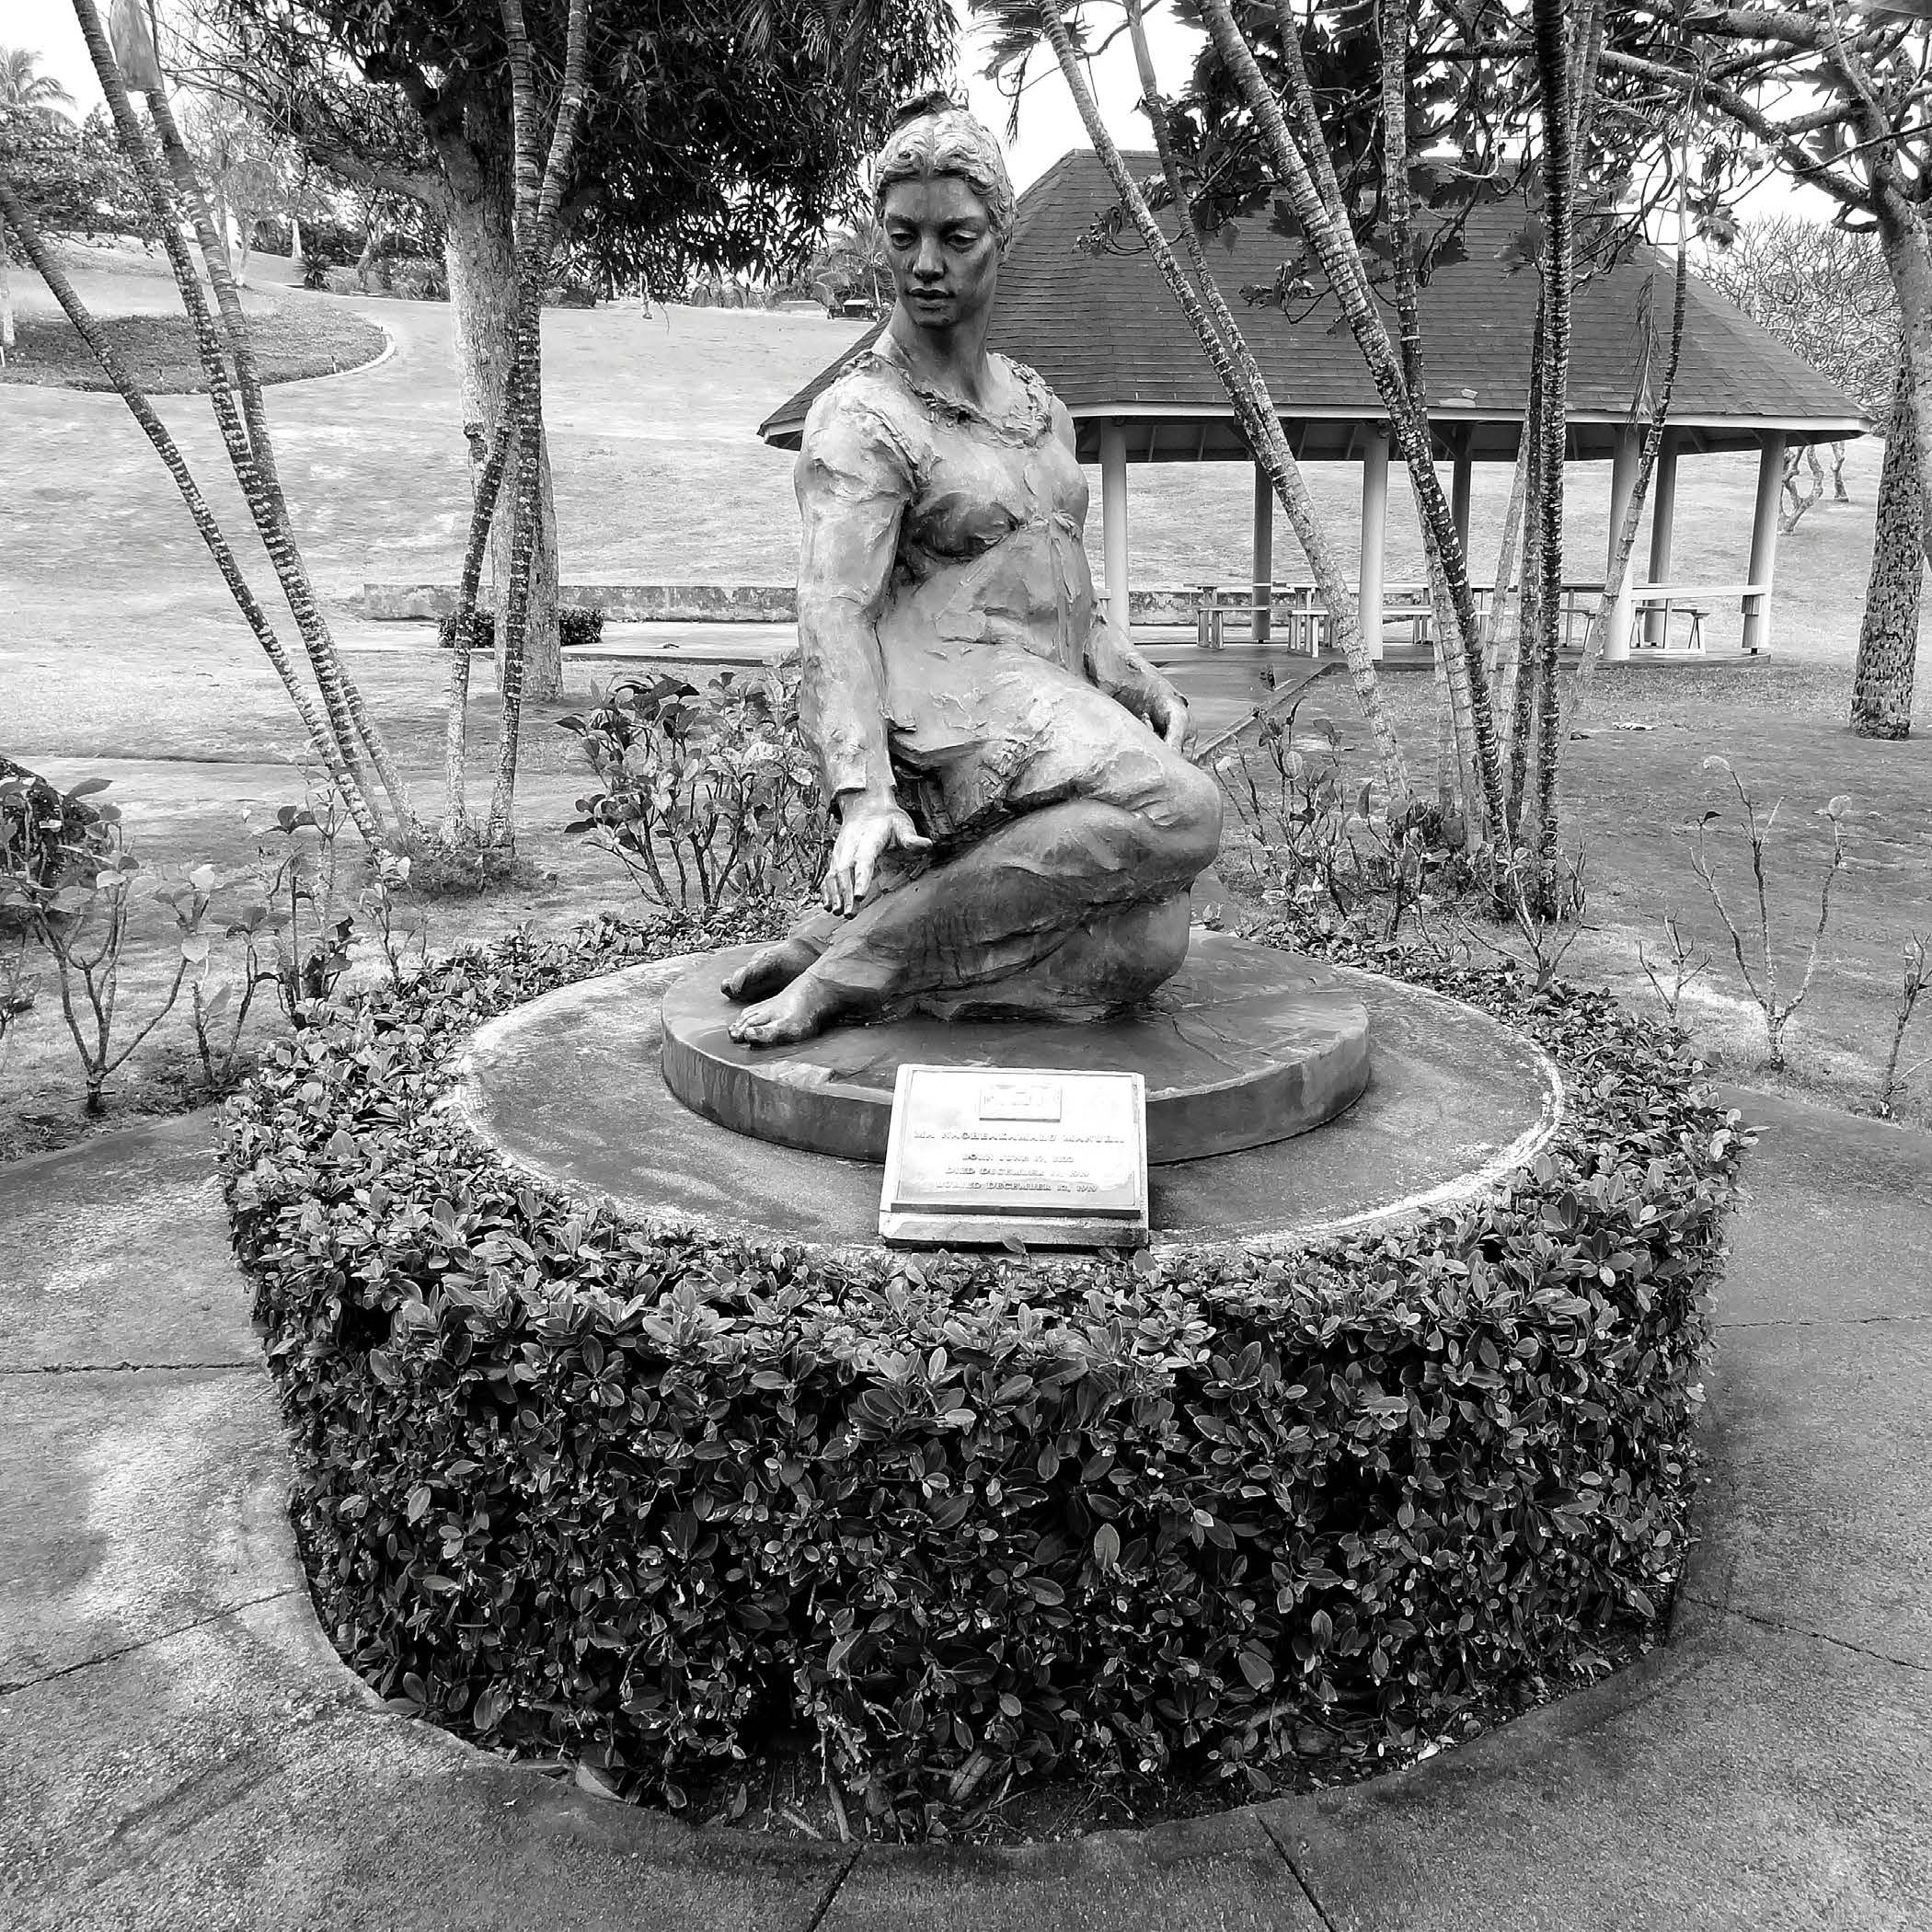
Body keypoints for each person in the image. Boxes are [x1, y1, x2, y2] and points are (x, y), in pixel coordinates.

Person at [726, 97, 1221, 1048]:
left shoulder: (1042, 405)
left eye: (954, 237)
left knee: (1147, 942)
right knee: (1182, 813)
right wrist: (862, 794)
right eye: (903, 236)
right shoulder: (862, 420)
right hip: (947, 702)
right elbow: (835, 611)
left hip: (1039, 687)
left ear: (1001, 236)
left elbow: (1051, 569)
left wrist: (1124, 668)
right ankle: (853, 972)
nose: (925, 265)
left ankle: (855, 945)